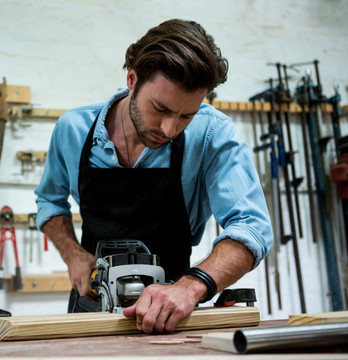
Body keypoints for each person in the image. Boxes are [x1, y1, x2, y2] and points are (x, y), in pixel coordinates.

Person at [34, 19, 273, 334]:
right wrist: (72, 253)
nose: (169, 129)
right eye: (160, 108)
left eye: (186, 115)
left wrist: (190, 287)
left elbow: (252, 228)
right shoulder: (72, 130)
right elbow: (49, 201)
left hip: (170, 310)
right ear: (132, 79)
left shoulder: (212, 133)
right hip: (92, 305)